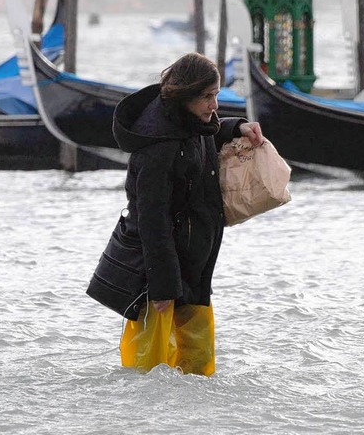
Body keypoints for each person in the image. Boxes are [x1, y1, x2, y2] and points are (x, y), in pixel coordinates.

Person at [111, 52, 262, 374]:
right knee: (147, 370)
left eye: (217, 95)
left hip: (194, 263)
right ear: (185, 97)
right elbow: (151, 220)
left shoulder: (192, 124)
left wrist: (238, 127)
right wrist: (164, 288)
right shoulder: (158, 148)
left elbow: (206, 135)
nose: (215, 105)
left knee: (199, 369)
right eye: (207, 97)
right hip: (159, 275)